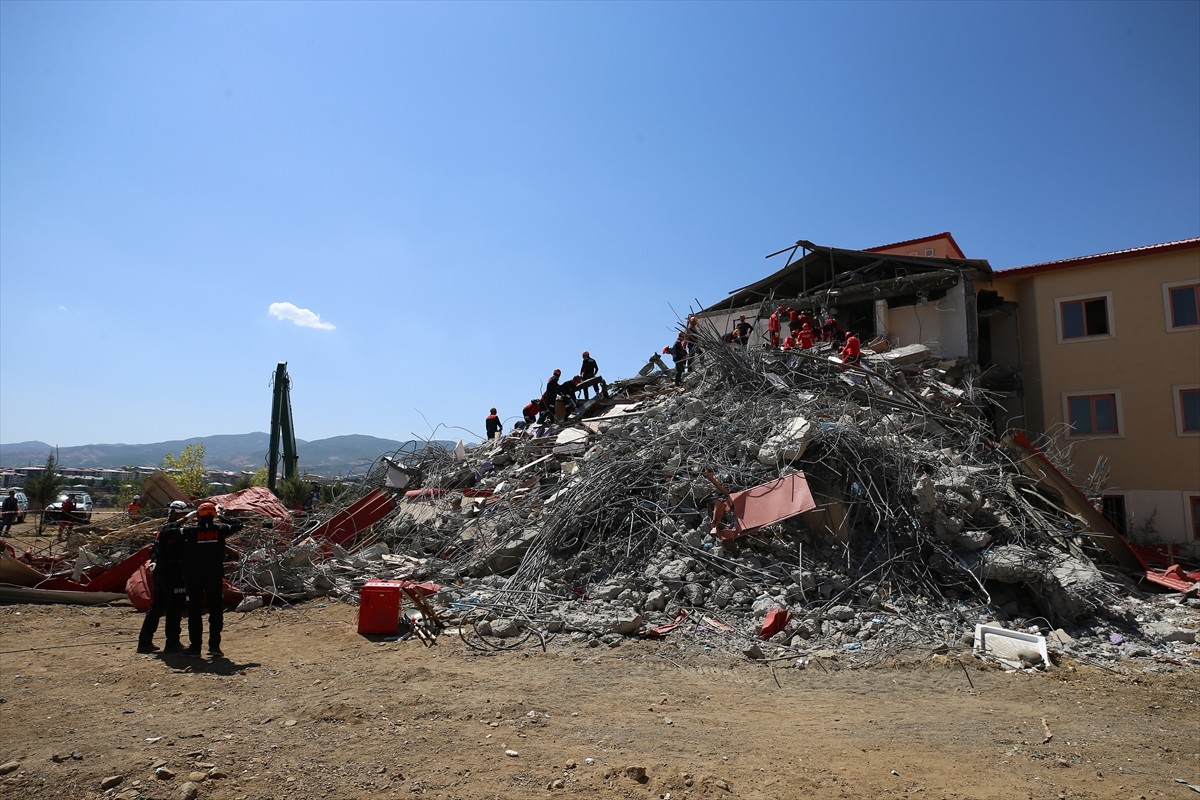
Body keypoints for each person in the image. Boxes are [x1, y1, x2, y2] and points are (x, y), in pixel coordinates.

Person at [183, 502, 242, 657]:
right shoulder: (220, 530)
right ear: (213, 516)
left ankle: (195, 648)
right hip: (214, 575)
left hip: (194, 576)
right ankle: (214, 647)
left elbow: (168, 531)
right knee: (216, 610)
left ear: (198, 515)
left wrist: (184, 519)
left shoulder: (191, 531)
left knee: (195, 611)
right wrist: (221, 515)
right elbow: (238, 524)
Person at [137, 501, 190, 654]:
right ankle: (172, 643)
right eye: (183, 514)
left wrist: (154, 561)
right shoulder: (171, 529)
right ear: (175, 513)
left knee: (157, 607)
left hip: (161, 571)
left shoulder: (165, 529)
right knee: (175, 607)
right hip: (171, 572)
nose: (185, 516)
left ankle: (145, 642)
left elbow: (154, 549)